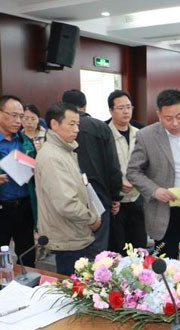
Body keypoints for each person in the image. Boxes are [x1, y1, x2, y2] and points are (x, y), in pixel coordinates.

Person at [127, 89, 180, 258]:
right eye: (168, 118)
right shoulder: (147, 136)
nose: (175, 123)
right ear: (159, 115)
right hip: (166, 213)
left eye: (179, 116)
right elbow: (133, 171)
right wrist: (154, 190)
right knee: (168, 266)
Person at [36, 102, 100, 275]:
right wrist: (91, 219)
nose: (76, 129)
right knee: (72, 286)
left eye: (77, 124)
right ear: (54, 124)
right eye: (71, 124)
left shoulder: (64, 151)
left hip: (74, 232)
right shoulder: (52, 157)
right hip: (67, 236)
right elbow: (66, 203)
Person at [0, 95, 37, 267]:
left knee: (27, 257)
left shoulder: (25, 140)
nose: (18, 121)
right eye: (13, 115)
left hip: (24, 207)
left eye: (21, 116)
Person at [62, 89, 122, 256]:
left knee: (75, 250)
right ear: (85, 105)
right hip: (100, 197)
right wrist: (115, 196)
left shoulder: (59, 130)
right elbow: (113, 165)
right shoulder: (101, 127)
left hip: (70, 197)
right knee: (98, 249)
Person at [106, 90, 147, 254]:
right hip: (115, 202)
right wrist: (116, 184)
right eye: (121, 108)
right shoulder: (103, 134)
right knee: (117, 251)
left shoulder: (141, 134)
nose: (126, 111)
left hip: (137, 199)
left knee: (139, 250)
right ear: (111, 110)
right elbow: (99, 168)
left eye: (129, 107)